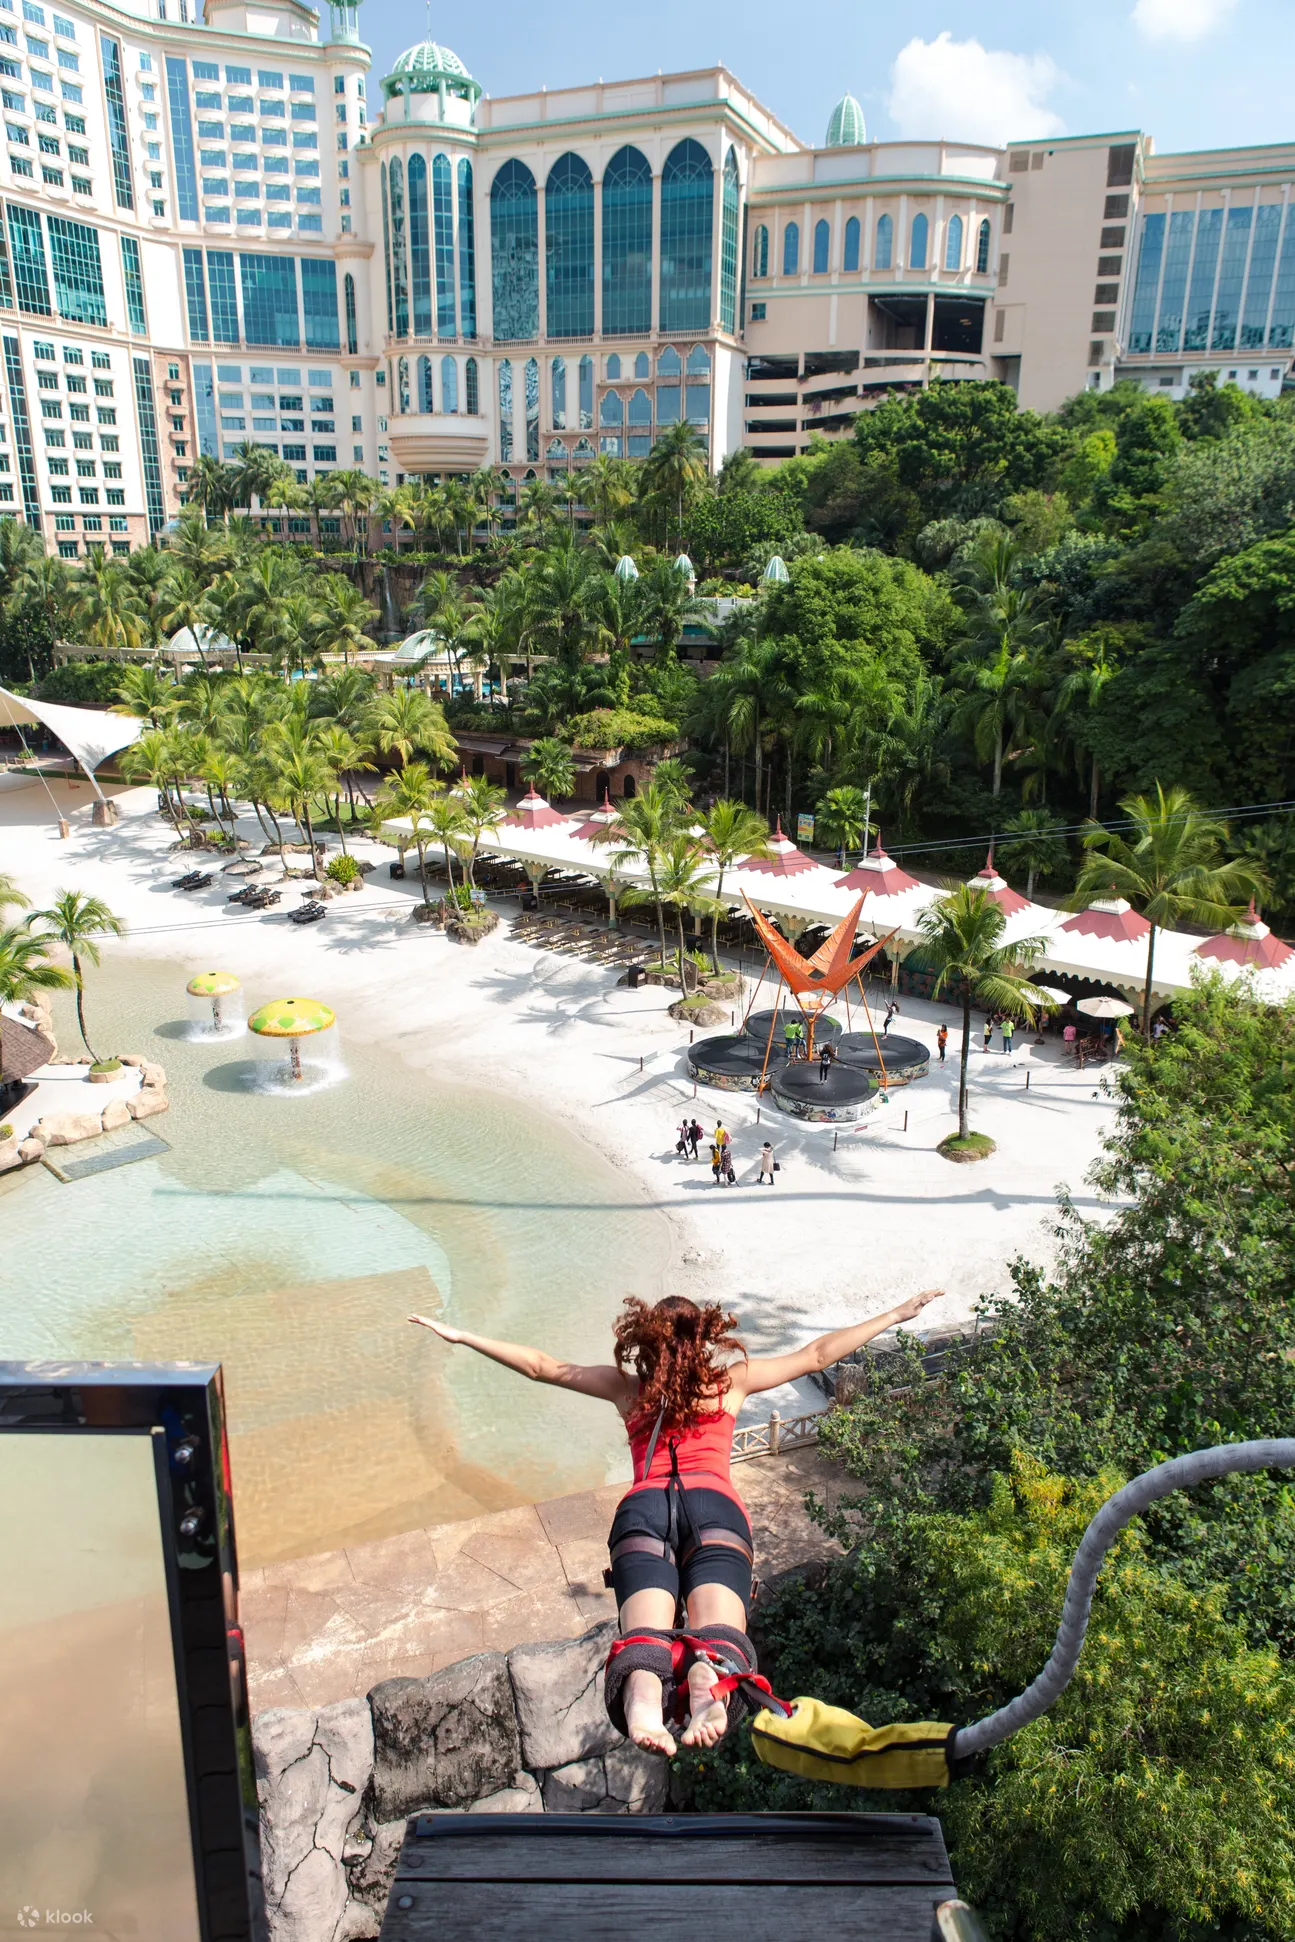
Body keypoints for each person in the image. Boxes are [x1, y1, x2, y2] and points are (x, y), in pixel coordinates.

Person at [408, 1288, 942, 1756]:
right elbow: (817, 1353)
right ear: (702, 1339)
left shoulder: (629, 1392)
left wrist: (461, 1336)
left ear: (645, 1342)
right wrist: (894, 1314)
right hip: (714, 1509)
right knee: (716, 1636)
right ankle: (707, 1681)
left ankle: (644, 1699)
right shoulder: (730, 1383)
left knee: (645, 1635)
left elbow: (542, 1366)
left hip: (645, 1509)